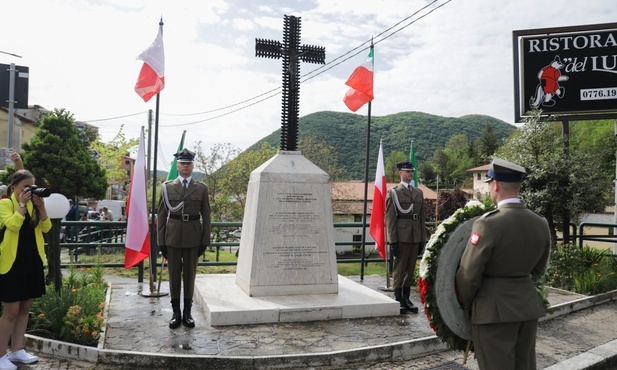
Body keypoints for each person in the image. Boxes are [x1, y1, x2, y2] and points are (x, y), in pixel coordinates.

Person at [456, 157, 551, 370]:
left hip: (492, 311)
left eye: (489, 184)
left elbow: (468, 275)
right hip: (526, 306)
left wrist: (470, 304)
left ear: (496, 185)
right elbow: (538, 269)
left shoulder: (488, 223)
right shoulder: (540, 223)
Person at [0, 170, 52, 370]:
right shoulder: (5, 204)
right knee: (10, 311)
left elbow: (46, 228)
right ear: (14, 186)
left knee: (24, 309)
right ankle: (0, 355)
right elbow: (12, 225)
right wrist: (21, 204)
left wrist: (41, 206)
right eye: (25, 188)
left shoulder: (34, 205)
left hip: (32, 262)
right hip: (12, 264)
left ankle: (17, 350)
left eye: (31, 187)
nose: (29, 191)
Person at [157, 148, 211, 329]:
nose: (185, 166)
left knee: (189, 275)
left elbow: (207, 216)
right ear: (177, 165)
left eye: (188, 163)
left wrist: (205, 240)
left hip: (193, 237)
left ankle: (187, 313)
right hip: (172, 237)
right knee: (173, 276)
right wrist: (161, 241)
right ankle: (175, 313)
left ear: (192, 165)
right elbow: (162, 216)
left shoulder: (201, 188)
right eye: (182, 163)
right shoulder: (167, 187)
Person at [385, 160, 427, 314]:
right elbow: (390, 219)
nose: (411, 173)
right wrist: (393, 240)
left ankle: (407, 297)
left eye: (412, 171)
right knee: (400, 267)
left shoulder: (418, 192)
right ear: (400, 172)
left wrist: (423, 238)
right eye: (407, 171)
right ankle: (398, 297)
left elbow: (422, 217)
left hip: (415, 234)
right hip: (402, 235)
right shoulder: (394, 192)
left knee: (410, 267)